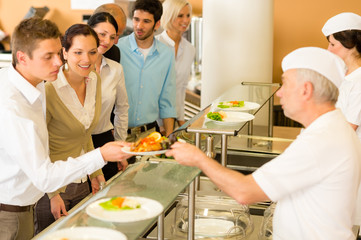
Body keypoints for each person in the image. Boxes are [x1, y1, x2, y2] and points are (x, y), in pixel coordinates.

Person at [166, 47, 361, 240]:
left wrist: (199, 158)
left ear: (306, 89)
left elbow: (244, 192)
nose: (279, 93)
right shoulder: (333, 127)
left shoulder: (320, 141)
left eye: (285, 84)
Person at [0, 18, 131, 240]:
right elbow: (45, 177)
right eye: (47, 57)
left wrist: (95, 170)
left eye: (57, 54)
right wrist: (100, 155)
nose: (57, 63)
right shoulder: (12, 106)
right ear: (22, 57)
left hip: (26, 204)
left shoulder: (37, 84)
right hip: (9, 212)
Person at [34, 24, 108, 234]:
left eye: (92, 52)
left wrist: (96, 172)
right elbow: (39, 146)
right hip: (53, 188)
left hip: (82, 180)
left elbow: (85, 134)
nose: (87, 59)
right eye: (78, 52)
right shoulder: (48, 88)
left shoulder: (94, 80)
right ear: (64, 53)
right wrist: (53, 194)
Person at [322, 12, 361, 232]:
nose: (329, 50)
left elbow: (350, 127)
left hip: (351, 154)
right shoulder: (347, 75)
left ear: (350, 44)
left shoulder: (359, 81)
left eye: (333, 44)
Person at [117, 0, 177, 140]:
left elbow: (167, 101)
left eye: (146, 21)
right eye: (136, 19)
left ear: (157, 24)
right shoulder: (117, 49)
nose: (139, 26)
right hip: (119, 135)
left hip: (149, 135)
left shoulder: (166, 54)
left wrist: (168, 138)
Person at [88, 12, 129, 180]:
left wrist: (121, 146)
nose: (106, 41)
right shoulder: (73, 68)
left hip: (105, 139)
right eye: (102, 34)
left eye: (112, 37)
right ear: (88, 32)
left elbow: (122, 109)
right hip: (76, 145)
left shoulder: (115, 69)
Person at [156, 0, 195, 127]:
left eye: (188, 15)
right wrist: (159, 125)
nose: (186, 20)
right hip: (152, 122)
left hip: (173, 121)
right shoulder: (154, 45)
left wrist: (181, 119)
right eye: (180, 16)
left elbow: (181, 89)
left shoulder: (190, 49)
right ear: (168, 16)